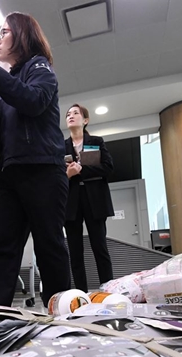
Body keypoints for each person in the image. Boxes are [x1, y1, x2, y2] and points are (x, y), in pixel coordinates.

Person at [0, 12, 71, 308]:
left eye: (4, 32)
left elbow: (33, 102)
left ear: (22, 35)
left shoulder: (39, 67)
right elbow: (8, 140)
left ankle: (61, 314)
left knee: (49, 246)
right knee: (6, 250)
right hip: (11, 175)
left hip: (42, 170)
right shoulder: (9, 85)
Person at [64, 104, 115, 292]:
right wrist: (68, 175)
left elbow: (108, 168)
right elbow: (54, 176)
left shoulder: (97, 141)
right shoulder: (60, 146)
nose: (71, 116)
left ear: (85, 120)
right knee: (75, 252)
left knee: (100, 248)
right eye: (68, 114)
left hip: (95, 201)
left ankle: (108, 291)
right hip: (71, 203)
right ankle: (80, 295)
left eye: (75, 113)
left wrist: (82, 170)